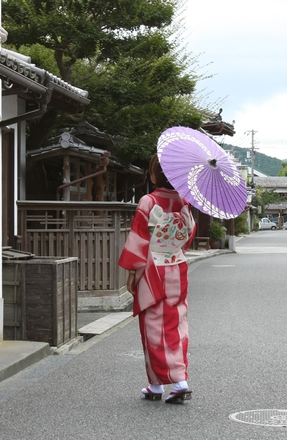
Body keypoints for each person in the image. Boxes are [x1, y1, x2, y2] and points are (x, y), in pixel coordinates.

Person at [118, 154, 196, 404]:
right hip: (178, 267)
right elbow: (188, 234)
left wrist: (132, 272)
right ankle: (167, 381)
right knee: (177, 324)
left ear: (154, 175)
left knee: (153, 327)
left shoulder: (148, 201)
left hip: (154, 270)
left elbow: (140, 238)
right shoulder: (184, 202)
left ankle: (164, 383)